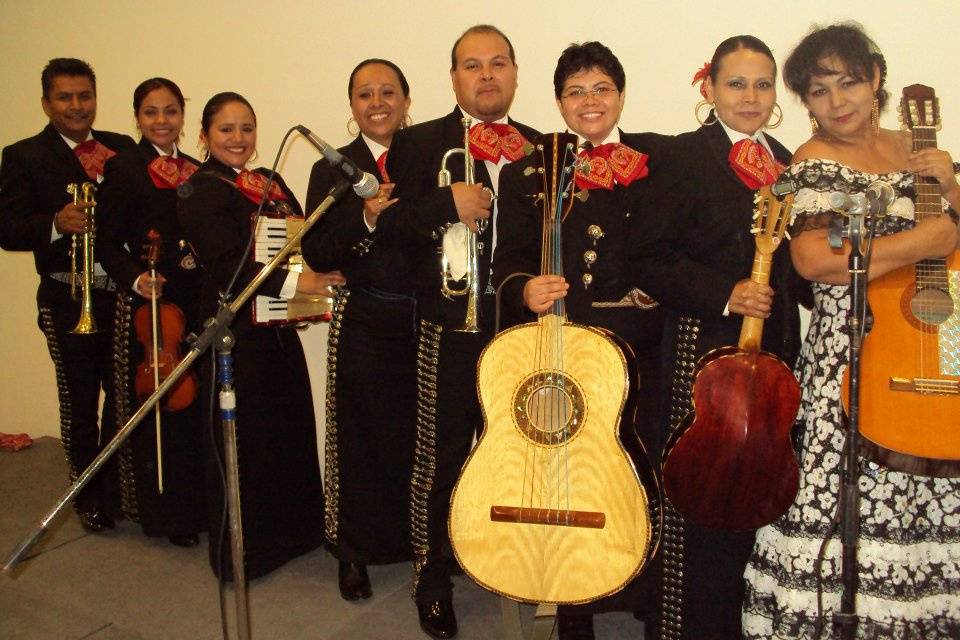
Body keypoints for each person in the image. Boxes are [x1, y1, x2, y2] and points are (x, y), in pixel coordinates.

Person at [742, 23, 960, 639]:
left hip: (937, 339)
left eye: (850, 82)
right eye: (819, 90)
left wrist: (950, 186)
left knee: (937, 474)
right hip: (853, 352)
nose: (838, 101)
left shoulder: (920, 153)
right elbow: (813, 260)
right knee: (847, 492)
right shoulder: (814, 162)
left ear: (877, 81)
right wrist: (926, 238)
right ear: (805, 102)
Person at [630, 36, 807, 640]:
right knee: (694, 495)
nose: (751, 97)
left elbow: (798, 270)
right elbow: (648, 258)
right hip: (698, 352)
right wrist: (725, 293)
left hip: (774, 356)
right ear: (708, 88)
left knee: (760, 491)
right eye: (737, 83)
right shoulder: (680, 157)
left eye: (763, 84)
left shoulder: (789, 163)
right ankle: (678, 627)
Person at [493, 41, 668, 640]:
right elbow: (505, 262)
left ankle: (647, 601)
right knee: (569, 474)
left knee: (635, 469)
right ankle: (573, 609)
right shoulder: (529, 170)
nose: (589, 102)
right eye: (575, 91)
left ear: (620, 95)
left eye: (601, 89)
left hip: (636, 347)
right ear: (559, 102)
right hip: (563, 348)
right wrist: (524, 290)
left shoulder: (653, 161)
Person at [373, 24, 539, 639]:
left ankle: (502, 558)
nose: (487, 75)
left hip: (516, 333)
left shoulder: (538, 146)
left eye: (498, 63)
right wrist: (449, 205)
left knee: (515, 456)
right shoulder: (416, 144)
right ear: (453, 79)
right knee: (438, 457)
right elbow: (385, 233)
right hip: (447, 330)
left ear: (515, 74)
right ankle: (431, 577)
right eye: (473, 65)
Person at [176, 91, 344, 580]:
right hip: (233, 334)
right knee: (242, 444)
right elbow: (231, 264)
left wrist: (321, 272)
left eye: (247, 128)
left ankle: (295, 534)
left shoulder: (266, 182)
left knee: (285, 434)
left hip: (275, 327)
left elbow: (302, 237)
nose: (238, 138)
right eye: (226, 129)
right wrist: (301, 283)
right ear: (204, 137)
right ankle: (242, 554)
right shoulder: (199, 190)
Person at [0, 58, 137, 532]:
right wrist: (55, 224)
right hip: (65, 297)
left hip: (119, 296)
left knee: (122, 400)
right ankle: (86, 495)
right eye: (65, 97)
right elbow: (8, 229)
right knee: (79, 401)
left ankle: (122, 490)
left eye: (85, 96)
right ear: (46, 103)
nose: (77, 106)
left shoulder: (120, 148)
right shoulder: (23, 155)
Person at [301, 58, 417, 601]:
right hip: (365, 316)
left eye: (388, 91)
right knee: (358, 437)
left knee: (420, 438)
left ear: (406, 100)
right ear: (352, 106)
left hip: (423, 318)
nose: (378, 102)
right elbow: (319, 250)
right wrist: (366, 217)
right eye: (365, 94)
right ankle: (354, 553)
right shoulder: (332, 169)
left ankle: (417, 543)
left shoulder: (427, 156)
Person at [97, 77, 205, 548]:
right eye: (151, 112)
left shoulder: (199, 170)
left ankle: (189, 505)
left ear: (183, 115)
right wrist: (135, 277)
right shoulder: (124, 168)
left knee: (187, 404)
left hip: (190, 300)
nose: (162, 121)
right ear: (137, 118)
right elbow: (105, 241)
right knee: (143, 403)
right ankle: (145, 506)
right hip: (147, 299)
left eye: (170, 111)